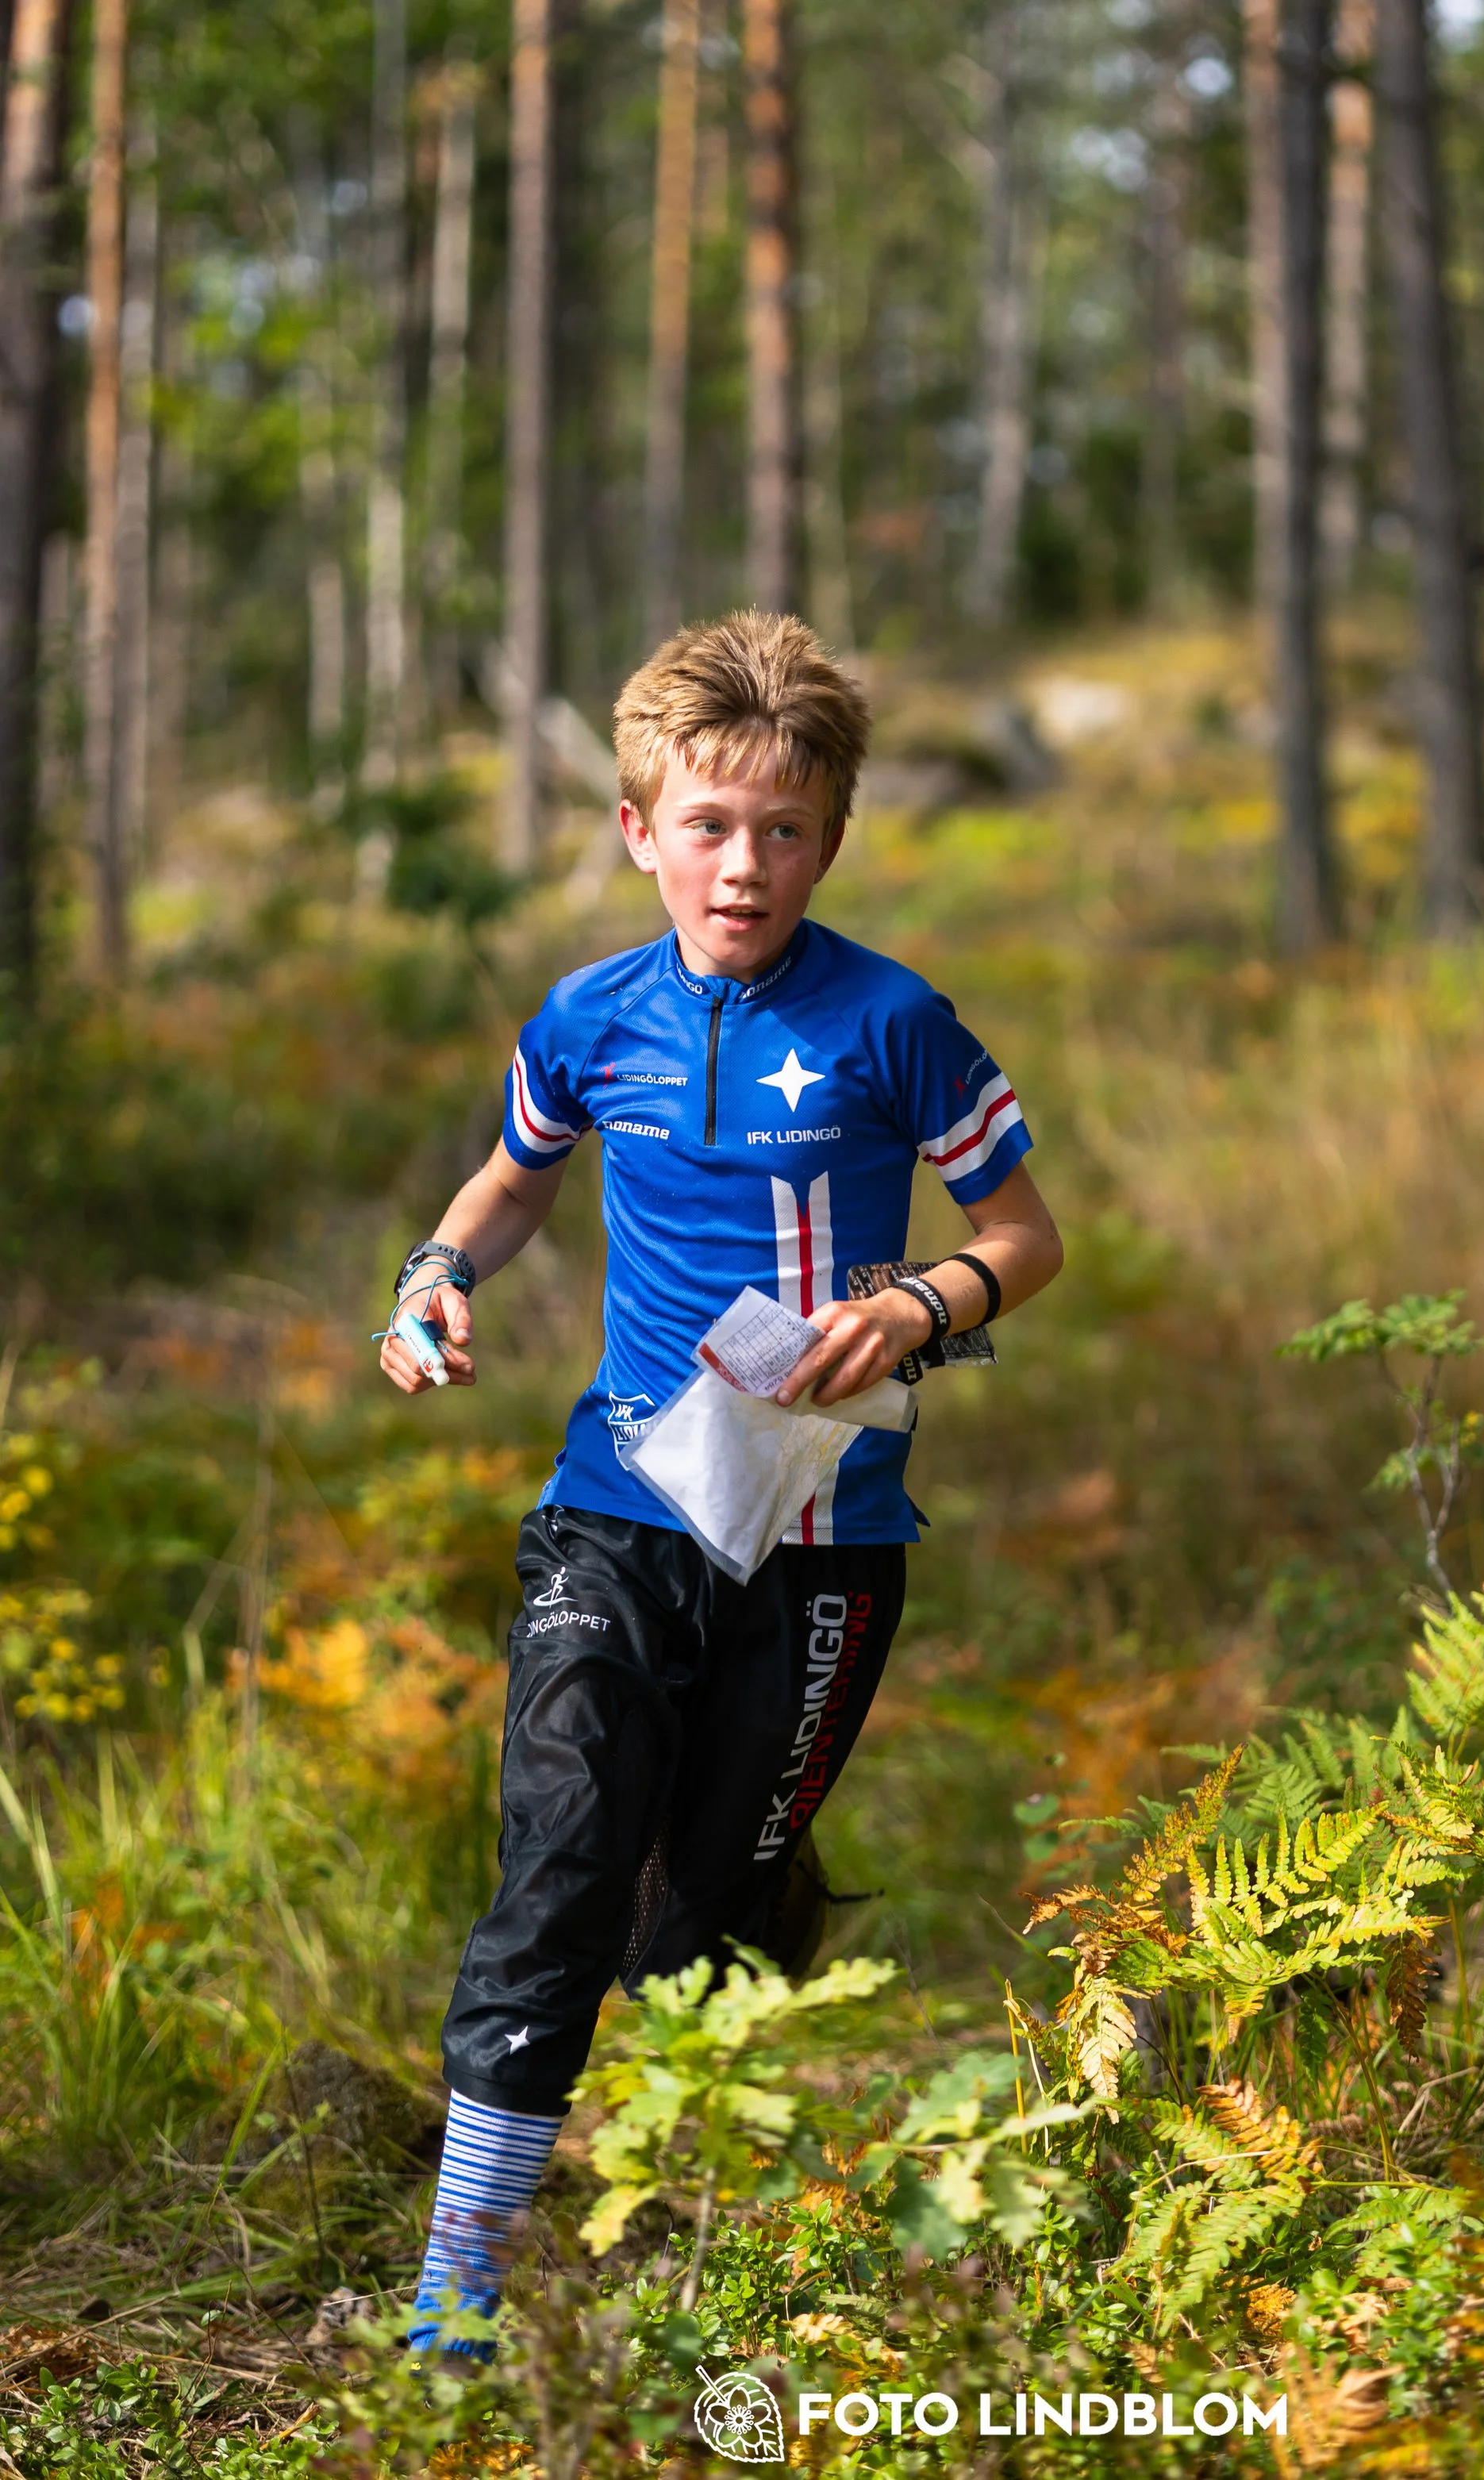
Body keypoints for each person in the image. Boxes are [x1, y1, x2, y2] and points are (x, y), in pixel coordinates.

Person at [379, 610, 1062, 2355]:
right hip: (620, 1500)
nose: (740, 862)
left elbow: (1022, 1233)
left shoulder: (893, 1020)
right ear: (637, 830)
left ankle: (689, 2253)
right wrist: (434, 1274)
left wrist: (919, 1302)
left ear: (828, 835)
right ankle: (459, 2287)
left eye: (779, 828)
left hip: (831, 1538)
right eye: (705, 823)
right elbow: (511, 1181)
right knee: (562, 1859)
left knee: (704, 1928)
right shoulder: (588, 1014)